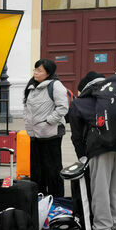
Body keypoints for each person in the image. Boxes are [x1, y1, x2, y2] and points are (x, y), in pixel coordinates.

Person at [69, 71, 116, 230]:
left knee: (101, 191)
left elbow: (77, 136)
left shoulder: (80, 103)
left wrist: (83, 157)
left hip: (99, 150)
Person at [23, 59, 68, 197]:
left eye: (39, 70)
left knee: (52, 169)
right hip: (35, 135)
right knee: (37, 170)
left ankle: (56, 199)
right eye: (35, 70)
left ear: (48, 73)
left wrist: (48, 121)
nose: (36, 73)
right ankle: (39, 197)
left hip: (51, 134)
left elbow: (63, 107)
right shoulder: (32, 86)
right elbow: (27, 107)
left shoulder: (56, 85)